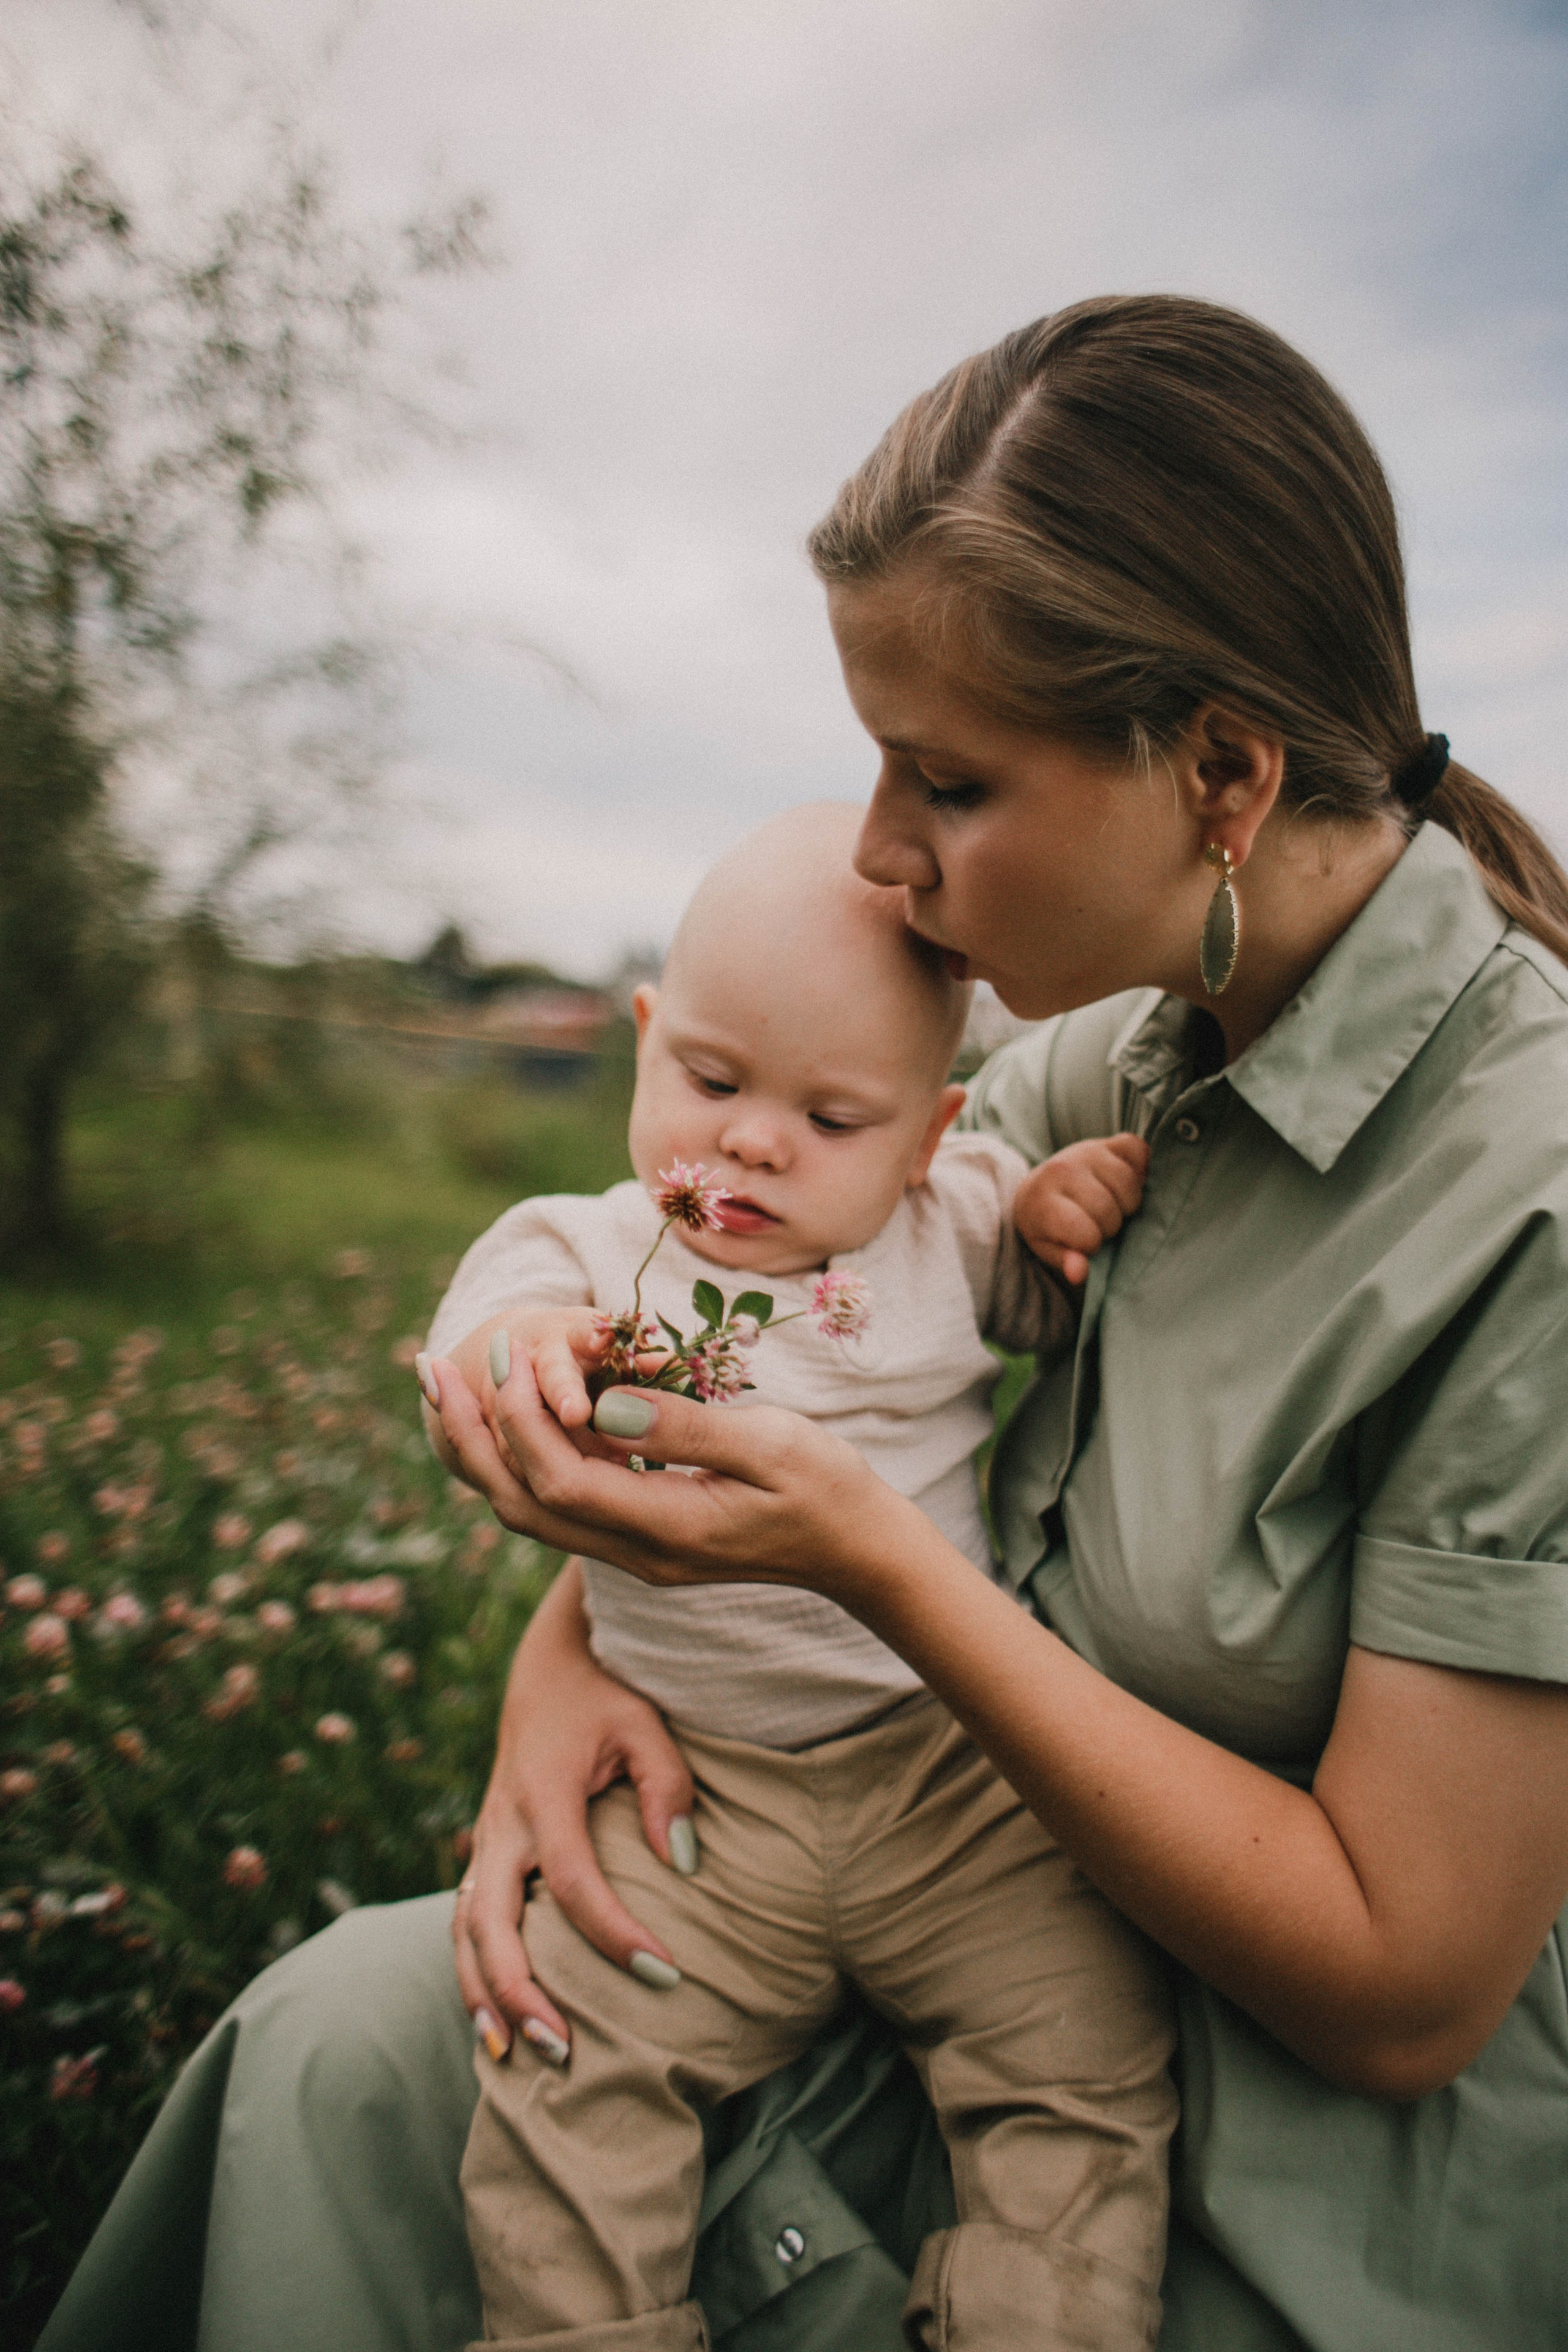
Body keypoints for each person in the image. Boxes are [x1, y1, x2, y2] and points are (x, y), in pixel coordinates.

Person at [41, 293, 1568, 2352]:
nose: (876, 847)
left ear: (1220, 772)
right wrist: (572, 1651)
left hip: (1281, 2148)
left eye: (946, 778)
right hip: (843, 1884)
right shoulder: (1116, 1048)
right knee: (330, 2044)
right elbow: (785, 1334)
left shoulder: (1525, 1202)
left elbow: (1402, 1997)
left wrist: (865, 1566)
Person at [421, 802, 1177, 2350]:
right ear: (647, 1042)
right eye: (710, 1082)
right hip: (692, 1794)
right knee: (566, 2056)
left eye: (832, 1118)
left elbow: (1048, 1300)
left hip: (953, 1778)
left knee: (1084, 2061)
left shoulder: (947, 1226)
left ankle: (1037, 2321)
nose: (752, 1143)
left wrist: (1055, 1217)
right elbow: (477, 1345)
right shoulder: (588, 1249)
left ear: (926, 1135)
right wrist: (526, 1354)